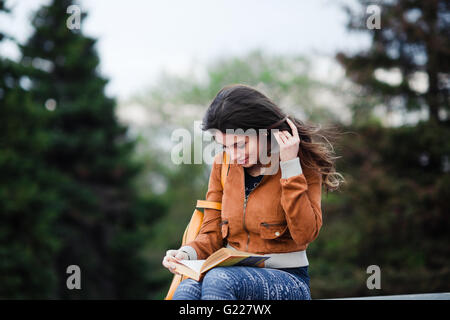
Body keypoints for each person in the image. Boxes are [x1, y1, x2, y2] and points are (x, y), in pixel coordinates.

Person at [162, 84, 343, 300]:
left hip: (288, 279)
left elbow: (305, 233)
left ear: (263, 131)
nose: (233, 155)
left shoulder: (301, 163)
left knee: (219, 280)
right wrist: (185, 255)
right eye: (225, 147)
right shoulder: (223, 165)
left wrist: (290, 167)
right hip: (226, 273)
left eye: (240, 145)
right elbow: (211, 234)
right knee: (186, 290)